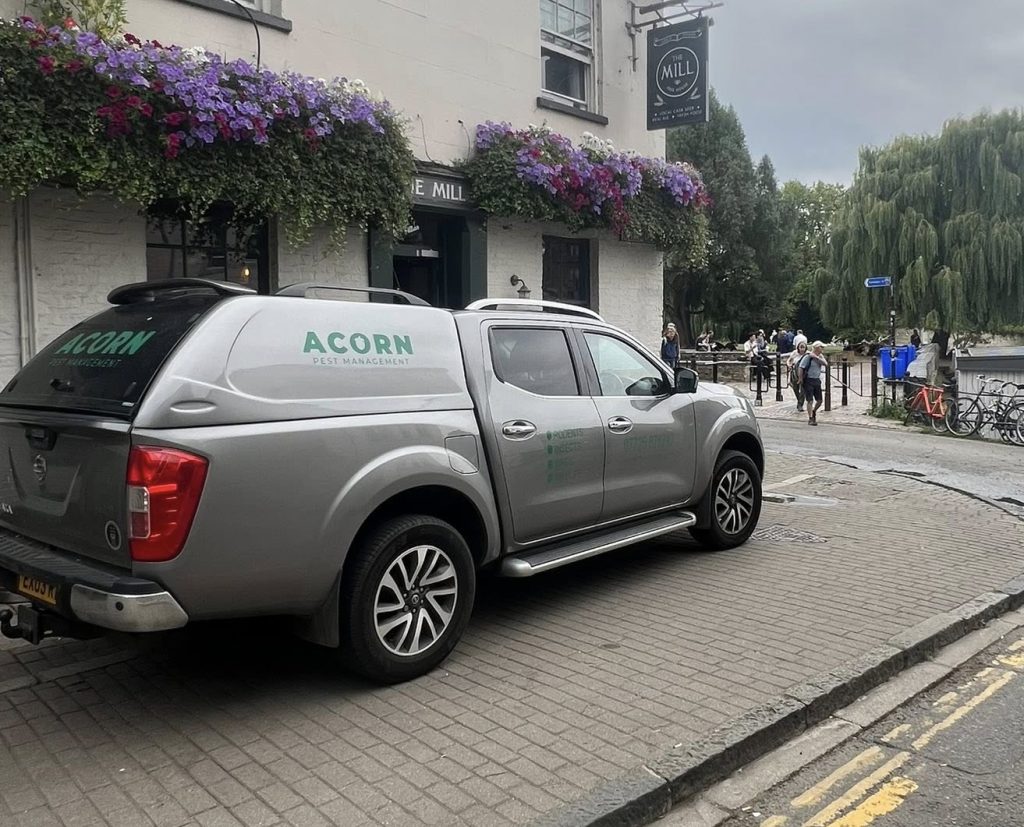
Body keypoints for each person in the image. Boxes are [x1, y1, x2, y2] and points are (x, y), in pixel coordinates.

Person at [798, 340, 828, 425]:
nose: (822, 349)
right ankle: (810, 418)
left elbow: (825, 364)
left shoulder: (820, 356)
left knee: (819, 400)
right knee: (810, 400)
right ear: (817, 348)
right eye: (821, 347)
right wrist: (800, 378)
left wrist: (816, 357)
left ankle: (814, 411)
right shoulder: (808, 357)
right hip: (808, 380)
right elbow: (801, 367)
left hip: (816, 380)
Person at [787, 341, 808, 412]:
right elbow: (789, 360)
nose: (802, 349)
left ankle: (800, 404)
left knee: (803, 390)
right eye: (800, 347)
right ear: (798, 347)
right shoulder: (794, 353)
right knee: (795, 388)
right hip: (794, 373)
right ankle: (799, 400)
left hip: (804, 374)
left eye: (803, 347)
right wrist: (789, 365)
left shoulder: (807, 354)